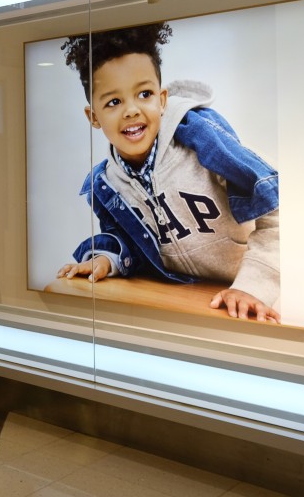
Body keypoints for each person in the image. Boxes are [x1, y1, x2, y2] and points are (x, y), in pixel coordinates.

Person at [55, 22, 281, 323]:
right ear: (93, 117)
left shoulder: (203, 141)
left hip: (251, 300)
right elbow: (132, 245)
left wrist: (253, 286)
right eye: (113, 101)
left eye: (144, 94)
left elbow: (277, 207)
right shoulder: (106, 185)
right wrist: (107, 260)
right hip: (189, 304)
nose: (132, 110)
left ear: (161, 100)